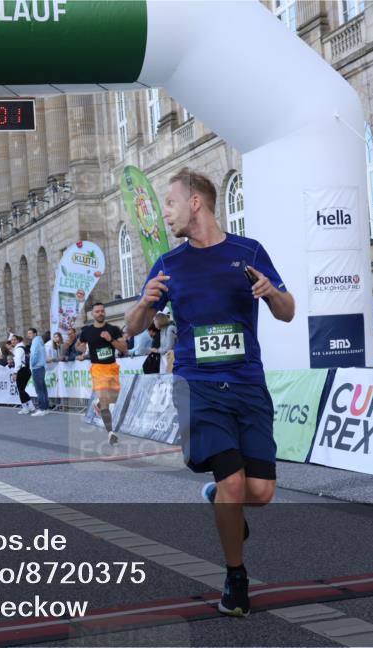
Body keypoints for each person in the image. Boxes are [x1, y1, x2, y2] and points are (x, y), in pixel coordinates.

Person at [125, 167, 294, 617]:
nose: (166, 215)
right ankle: (236, 577)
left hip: (247, 384)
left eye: (171, 204)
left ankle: (219, 500)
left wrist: (270, 292)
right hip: (198, 387)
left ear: (196, 202)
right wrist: (144, 303)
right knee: (233, 481)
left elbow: (288, 311)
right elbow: (133, 329)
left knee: (259, 492)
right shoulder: (168, 264)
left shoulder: (248, 251)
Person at [77, 303, 128, 444]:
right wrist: (81, 349)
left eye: (102, 311)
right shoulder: (87, 331)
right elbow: (78, 345)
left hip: (112, 367)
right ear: (92, 314)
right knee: (106, 401)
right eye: (97, 311)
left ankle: (98, 406)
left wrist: (110, 340)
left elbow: (124, 348)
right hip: (98, 369)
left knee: (114, 398)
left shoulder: (113, 329)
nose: (100, 313)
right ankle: (111, 433)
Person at [28, 328, 49, 416]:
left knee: (39, 389)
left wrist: (32, 364)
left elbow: (34, 354)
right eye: (28, 333)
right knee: (43, 389)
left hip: (37, 367)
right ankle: (45, 408)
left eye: (30, 333)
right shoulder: (40, 341)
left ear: (35, 333)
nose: (29, 335)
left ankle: (42, 408)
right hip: (41, 366)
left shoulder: (35, 342)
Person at [10, 334, 33, 414]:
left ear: (18, 340)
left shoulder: (18, 349)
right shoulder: (24, 348)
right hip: (27, 370)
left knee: (20, 390)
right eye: (12, 340)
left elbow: (18, 363)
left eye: (14, 340)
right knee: (22, 389)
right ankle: (30, 406)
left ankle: (25, 408)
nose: (12, 341)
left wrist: (15, 372)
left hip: (22, 370)